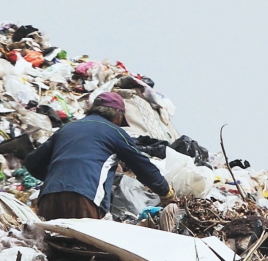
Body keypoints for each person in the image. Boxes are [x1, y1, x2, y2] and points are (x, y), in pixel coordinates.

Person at [24, 91, 174, 221]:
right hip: (84, 199)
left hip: (48, 198)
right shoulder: (114, 132)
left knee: (52, 248)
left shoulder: (68, 128)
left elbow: (32, 163)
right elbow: (142, 166)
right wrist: (166, 192)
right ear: (118, 115)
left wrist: (56, 178)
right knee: (82, 249)